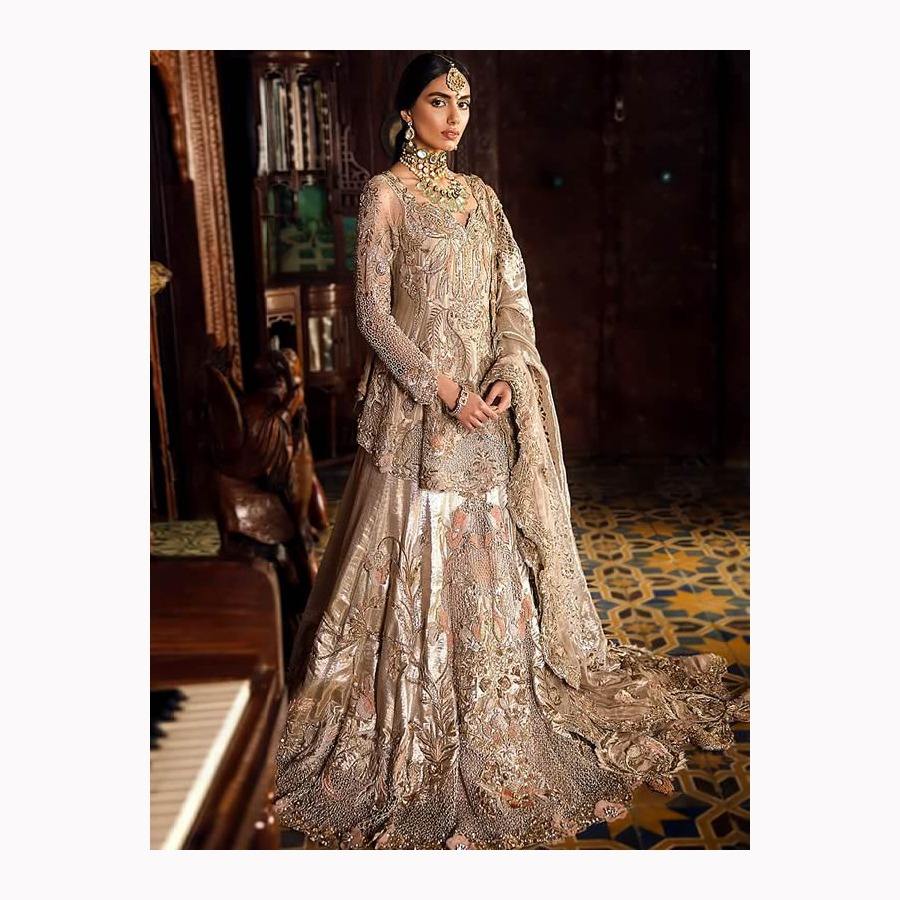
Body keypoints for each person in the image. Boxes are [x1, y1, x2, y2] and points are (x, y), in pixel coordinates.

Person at [273, 52, 749, 850]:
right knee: (411, 551)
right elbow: (372, 314)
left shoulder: (483, 200)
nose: (454, 116)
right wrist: (443, 389)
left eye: (463, 102)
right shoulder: (385, 194)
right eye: (439, 101)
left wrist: (503, 374)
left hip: (484, 418)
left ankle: (499, 702)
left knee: (493, 564)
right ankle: (406, 711)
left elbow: (512, 303)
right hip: (420, 416)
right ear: (407, 111)